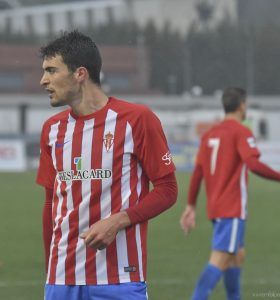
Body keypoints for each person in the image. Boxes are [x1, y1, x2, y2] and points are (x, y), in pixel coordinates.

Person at [36, 30, 177, 300]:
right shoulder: (51, 130)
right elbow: (50, 204)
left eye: (52, 71)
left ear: (80, 73)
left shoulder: (136, 119)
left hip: (120, 278)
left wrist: (119, 220)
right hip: (61, 280)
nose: (43, 80)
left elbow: (168, 189)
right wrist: (51, 272)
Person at [180, 87, 280, 300]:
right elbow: (253, 164)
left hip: (217, 208)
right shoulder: (241, 131)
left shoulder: (209, 134)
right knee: (220, 259)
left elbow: (197, 173)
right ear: (242, 105)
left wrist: (190, 206)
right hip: (232, 208)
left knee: (237, 256)